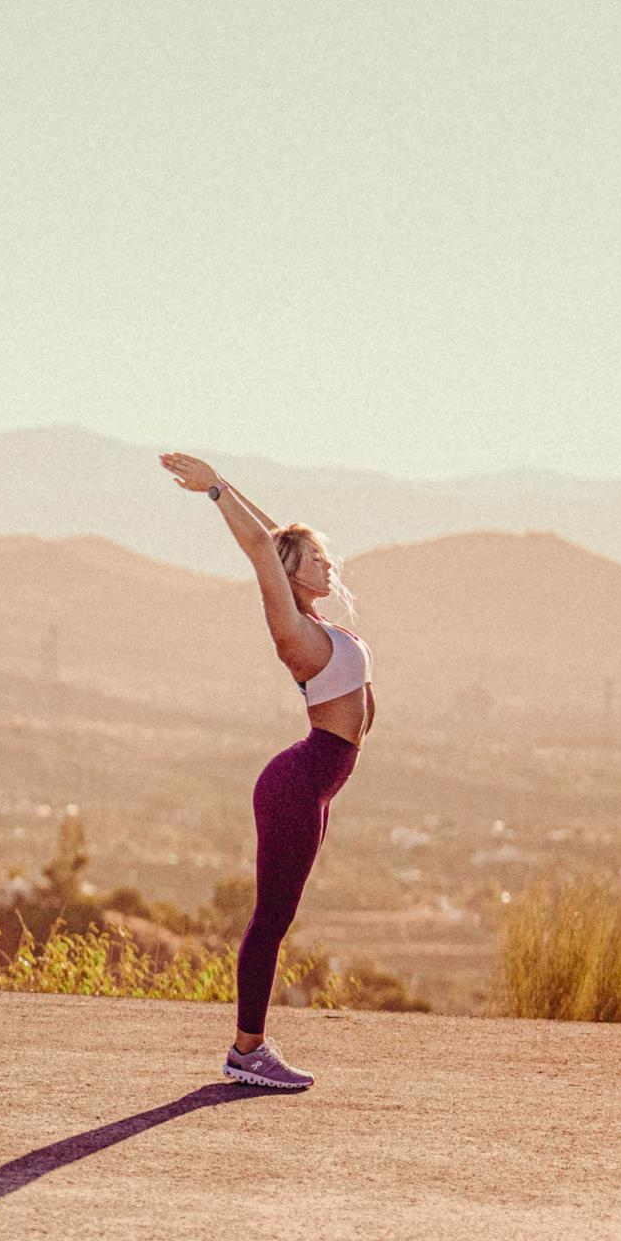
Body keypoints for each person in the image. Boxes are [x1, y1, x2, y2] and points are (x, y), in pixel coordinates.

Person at [159, 453, 373, 1092]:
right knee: (271, 917)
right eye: (317, 560)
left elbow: (276, 538)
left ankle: (248, 1048)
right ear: (292, 574)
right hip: (297, 781)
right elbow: (264, 548)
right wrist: (215, 489)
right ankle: (247, 1051)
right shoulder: (292, 625)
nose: (328, 564)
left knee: (279, 912)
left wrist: (229, 483)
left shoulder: (313, 614)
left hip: (317, 783)